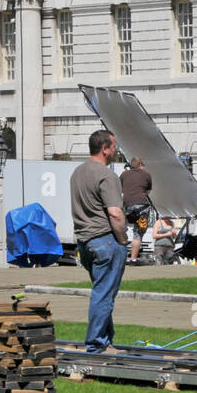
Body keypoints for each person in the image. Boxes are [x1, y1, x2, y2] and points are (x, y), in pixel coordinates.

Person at [69, 129, 130, 354]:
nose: (116, 150)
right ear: (105, 149)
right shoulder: (107, 176)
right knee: (103, 294)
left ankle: (105, 340)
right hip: (105, 240)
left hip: (85, 242)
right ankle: (96, 344)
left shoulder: (77, 173)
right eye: (114, 146)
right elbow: (115, 213)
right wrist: (123, 240)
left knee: (102, 291)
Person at [120, 156, 154, 263]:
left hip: (127, 206)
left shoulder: (124, 174)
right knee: (138, 233)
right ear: (140, 165)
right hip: (142, 206)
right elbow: (148, 191)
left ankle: (120, 258)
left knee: (121, 230)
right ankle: (133, 259)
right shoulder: (146, 174)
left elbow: (120, 188)